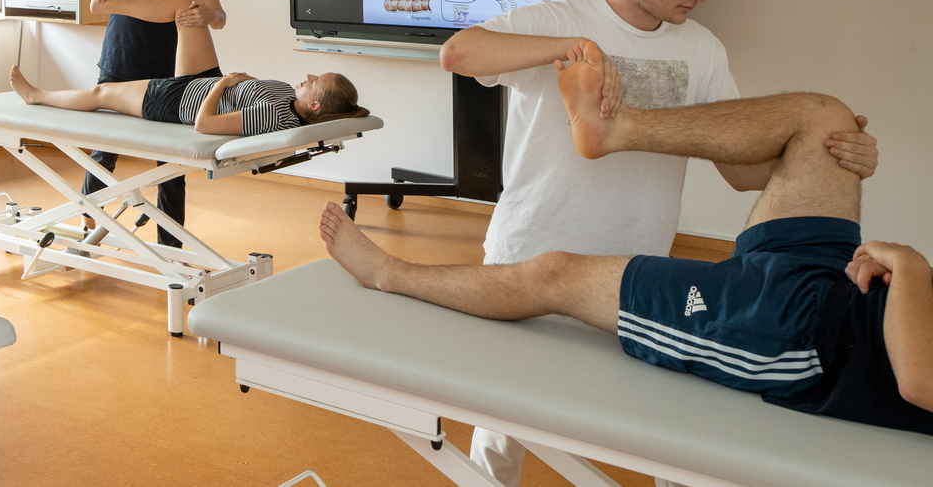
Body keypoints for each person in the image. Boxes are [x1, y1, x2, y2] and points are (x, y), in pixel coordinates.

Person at [435, 0, 882, 486]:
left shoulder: (702, 49)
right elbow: (457, 53)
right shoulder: (560, 20)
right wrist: (571, 51)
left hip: (637, 258)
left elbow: (740, 170)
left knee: (660, 413)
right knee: (502, 417)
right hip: (530, 246)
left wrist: (832, 153)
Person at [319, 41, 932, 437]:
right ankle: (613, 129)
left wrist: (909, 267)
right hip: (855, 284)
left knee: (553, 272)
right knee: (824, 118)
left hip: (807, 337)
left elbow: (921, 381)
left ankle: (386, 273)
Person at [55, 0, 225, 247]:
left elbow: (220, 17)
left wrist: (210, 14)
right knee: (105, 149)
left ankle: (171, 244)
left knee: (171, 164)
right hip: (123, 62)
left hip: (170, 76)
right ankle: (90, 216)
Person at [7, 0, 368, 135]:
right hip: (203, 81)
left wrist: (223, 85)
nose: (306, 76)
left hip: (175, 100)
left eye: (314, 80)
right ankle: (108, 5)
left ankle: (36, 96)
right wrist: (236, 82)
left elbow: (205, 125)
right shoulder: (288, 98)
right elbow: (250, 95)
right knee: (189, 7)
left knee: (101, 92)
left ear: (315, 105)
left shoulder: (276, 117)